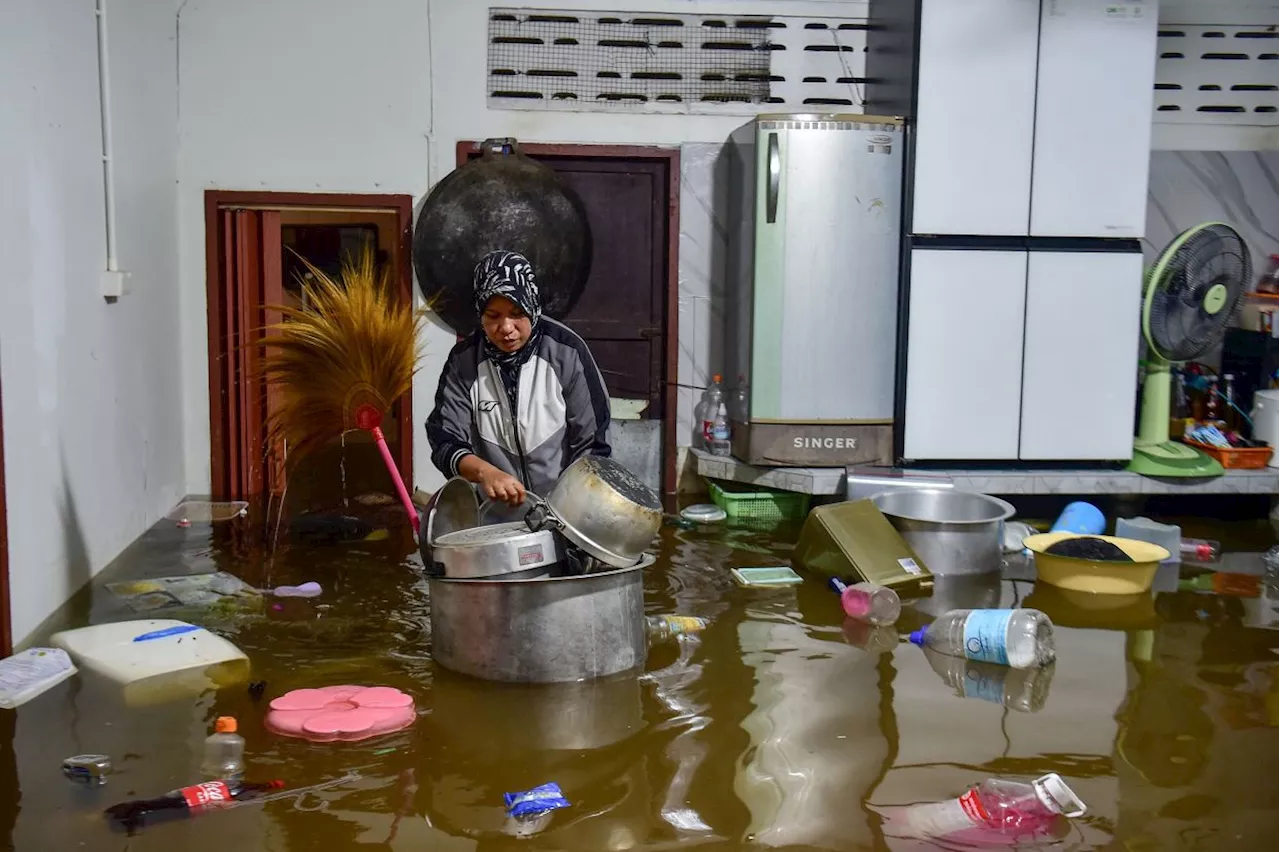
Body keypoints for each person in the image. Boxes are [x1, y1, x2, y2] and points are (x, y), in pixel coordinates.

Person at [426, 250, 612, 509]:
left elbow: (594, 443)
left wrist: (567, 507)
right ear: (480, 314)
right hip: (493, 517)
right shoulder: (464, 362)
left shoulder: (566, 352)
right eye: (493, 316)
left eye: (517, 313)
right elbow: (444, 440)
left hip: (564, 511)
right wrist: (485, 472)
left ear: (532, 306)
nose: (506, 327)